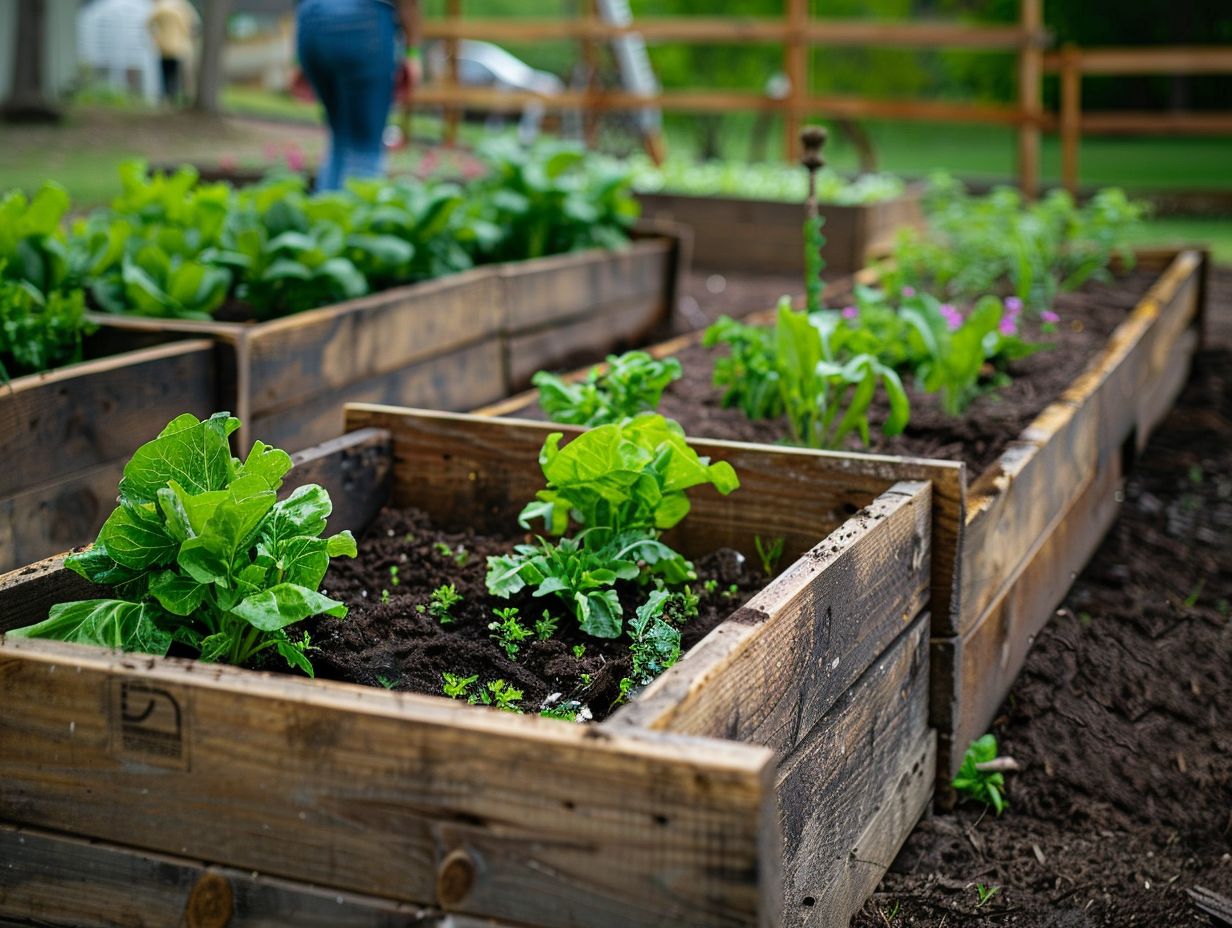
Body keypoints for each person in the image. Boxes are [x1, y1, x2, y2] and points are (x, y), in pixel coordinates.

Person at [296, 0, 421, 192]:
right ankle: (357, 218)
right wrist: (413, 52)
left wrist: (298, 59)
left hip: (310, 18)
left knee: (340, 140)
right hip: (364, 19)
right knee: (365, 147)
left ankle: (324, 215)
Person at [147, 0, 200, 105]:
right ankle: (178, 97)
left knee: (166, 73)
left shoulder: (159, 7)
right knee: (177, 74)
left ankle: (167, 97)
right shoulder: (183, 5)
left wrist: (155, 37)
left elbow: (149, 23)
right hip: (181, 46)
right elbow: (195, 25)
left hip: (164, 46)